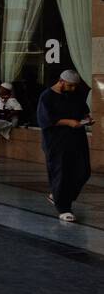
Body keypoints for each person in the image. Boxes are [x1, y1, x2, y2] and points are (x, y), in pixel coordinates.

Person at [36, 69, 92, 222]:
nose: (73, 89)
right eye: (70, 86)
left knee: (83, 171)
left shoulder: (75, 94)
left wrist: (86, 118)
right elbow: (45, 120)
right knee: (61, 172)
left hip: (77, 138)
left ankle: (57, 195)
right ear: (61, 82)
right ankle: (63, 207)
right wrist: (68, 122)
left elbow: (83, 111)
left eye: (75, 86)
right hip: (56, 141)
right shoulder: (47, 97)